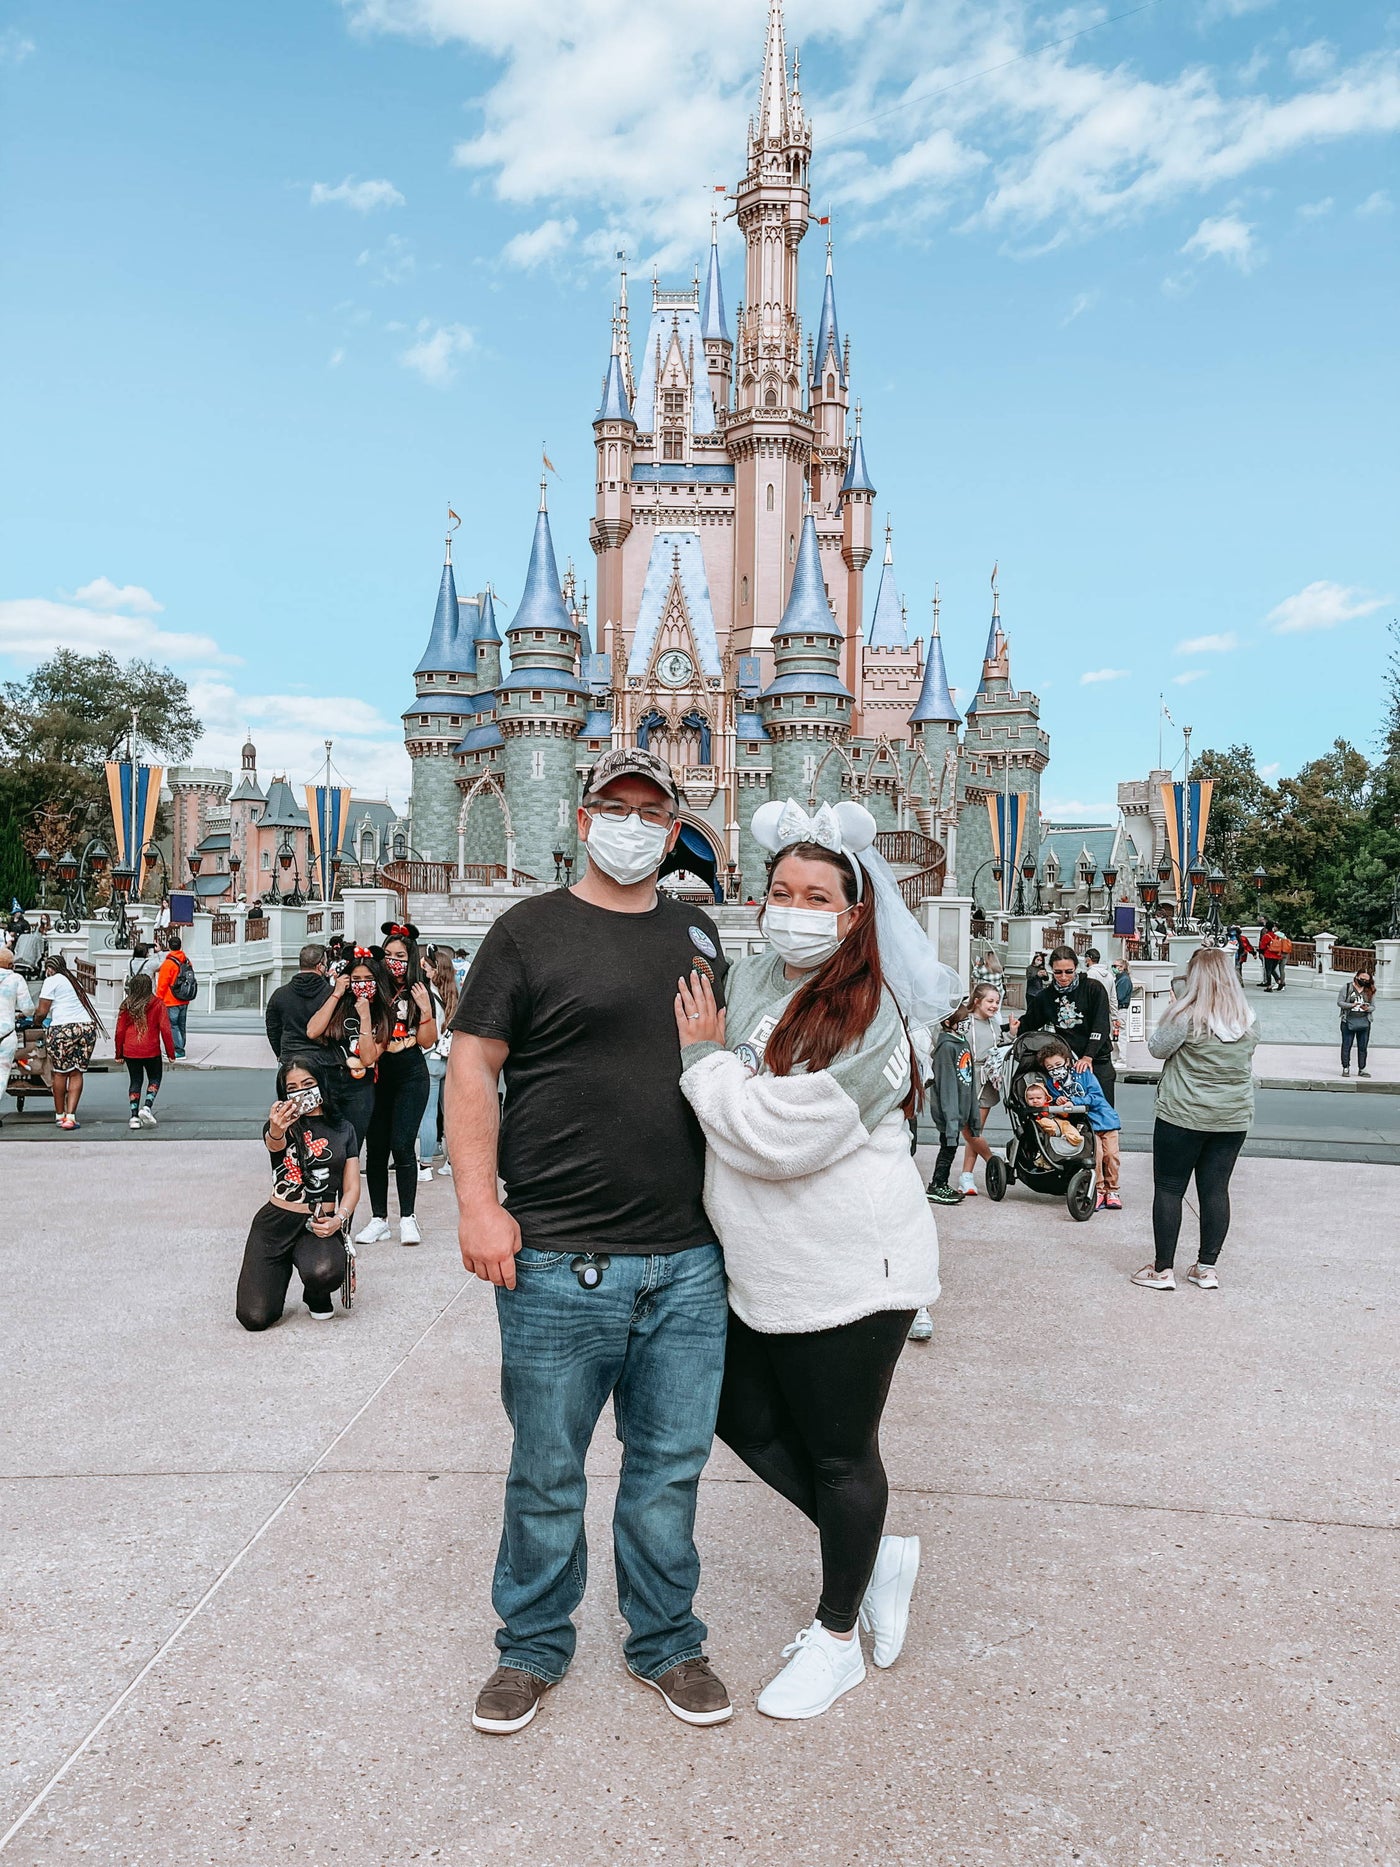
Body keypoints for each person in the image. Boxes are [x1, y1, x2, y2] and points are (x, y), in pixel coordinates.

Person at [446, 747, 732, 1737]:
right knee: (546, 1470)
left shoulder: (700, 932)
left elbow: (727, 1076)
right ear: (580, 818)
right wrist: (478, 1206)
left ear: (672, 828)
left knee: (668, 1468)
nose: (631, 823)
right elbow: (472, 1070)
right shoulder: (526, 933)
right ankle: (530, 1646)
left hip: (688, 1260)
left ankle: (664, 1640)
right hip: (559, 1257)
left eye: (649, 811)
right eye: (615, 805)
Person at [675, 796, 957, 1720]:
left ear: (853, 910)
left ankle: (837, 1636)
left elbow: (777, 1136)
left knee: (840, 1455)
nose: (794, 906)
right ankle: (878, 1554)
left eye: (817, 895)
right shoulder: (753, 978)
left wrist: (704, 1065)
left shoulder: (872, 1013)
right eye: (780, 889)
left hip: (850, 1269)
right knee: (738, 1413)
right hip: (764, 1267)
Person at [1133, 946, 1258, 1292]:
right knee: (1216, 1190)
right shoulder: (1247, 1018)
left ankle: (1162, 1270)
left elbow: (1157, 1048)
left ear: (1194, 978)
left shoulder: (1185, 1016)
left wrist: (1174, 1005)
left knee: (1170, 1188)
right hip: (1232, 1117)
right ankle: (1206, 1268)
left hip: (1183, 1113)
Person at [235, 1055, 360, 1329]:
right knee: (254, 1318)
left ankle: (315, 1292)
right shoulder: (281, 1125)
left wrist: (339, 1219)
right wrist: (277, 1129)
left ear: (320, 1084)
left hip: (318, 1223)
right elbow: (274, 1143)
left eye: (308, 1083)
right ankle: (278, 1276)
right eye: (292, 1088)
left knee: (324, 1272)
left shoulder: (344, 1129)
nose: (301, 1091)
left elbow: (351, 1187)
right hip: (276, 1223)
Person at [355, 922, 437, 1247]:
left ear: (410, 956)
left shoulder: (419, 989)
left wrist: (427, 1009)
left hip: (411, 1072)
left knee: (402, 1144)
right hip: (380, 1072)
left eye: (400, 955)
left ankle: (407, 1217)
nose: (393, 960)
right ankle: (379, 1219)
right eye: (388, 954)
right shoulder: (376, 989)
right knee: (375, 1148)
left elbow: (428, 1041)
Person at [304, 947, 388, 1146]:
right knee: (324, 1144)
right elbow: (312, 1031)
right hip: (327, 1079)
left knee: (351, 1147)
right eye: (356, 979)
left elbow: (369, 1058)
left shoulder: (384, 1013)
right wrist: (337, 993)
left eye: (368, 978)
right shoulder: (339, 1002)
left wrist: (366, 1016)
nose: (362, 984)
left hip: (359, 1087)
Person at [1019, 944, 1116, 1104]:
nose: (1063, 977)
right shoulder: (1046, 996)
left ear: (1076, 968)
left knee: (1103, 1113)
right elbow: (1029, 1022)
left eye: (1068, 971)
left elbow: (1101, 1024)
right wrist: (1010, 1029)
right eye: (1058, 972)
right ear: (1051, 970)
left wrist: (1088, 1057)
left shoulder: (1093, 988)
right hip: (1066, 1065)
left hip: (1097, 1060)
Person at [1039, 1035, 1123, 1209]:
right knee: (1097, 1156)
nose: (1055, 1070)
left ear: (1067, 1061)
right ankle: (1098, 1189)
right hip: (1088, 1125)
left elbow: (1096, 1097)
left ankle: (1112, 1189)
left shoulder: (1082, 1073)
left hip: (1106, 1120)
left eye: (1058, 1065)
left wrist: (1074, 1102)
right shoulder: (1052, 1084)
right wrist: (1059, 1102)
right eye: (1050, 1068)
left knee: (1111, 1156)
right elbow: (1058, 1106)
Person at [34, 954, 104, 1130]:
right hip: (86, 1028)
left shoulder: (51, 980)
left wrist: (36, 1021)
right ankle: (70, 1116)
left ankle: (59, 1115)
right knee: (76, 1072)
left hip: (63, 1029)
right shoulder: (74, 981)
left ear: (49, 969)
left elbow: (42, 1011)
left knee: (60, 1073)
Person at [958, 982, 1012, 1196]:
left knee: (975, 1131)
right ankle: (992, 1160)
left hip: (988, 1079)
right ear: (977, 1001)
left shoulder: (994, 1024)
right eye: (990, 1001)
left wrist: (1011, 1034)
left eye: (997, 1002)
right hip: (965, 1074)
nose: (994, 1006)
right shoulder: (964, 1022)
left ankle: (966, 1176)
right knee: (967, 1128)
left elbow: (998, 1047)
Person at [925, 1001, 974, 1208]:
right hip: (949, 1111)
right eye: (962, 1021)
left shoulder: (961, 1042)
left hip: (959, 1108)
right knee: (948, 1146)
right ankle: (938, 1184)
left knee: (951, 1147)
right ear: (948, 1022)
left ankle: (940, 1183)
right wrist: (952, 1115)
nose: (966, 1024)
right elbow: (946, 1086)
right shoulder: (946, 1048)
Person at [114, 971, 175, 1130]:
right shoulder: (158, 1004)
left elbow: (119, 1031)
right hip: (151, 1048)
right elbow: (166, 1029)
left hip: (130, 1049)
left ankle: (134, 1116)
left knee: (135, 1081)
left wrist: (118, 1053)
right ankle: (147, 1106)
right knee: (154, 1078)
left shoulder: (126, 1005)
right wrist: (171, 1053)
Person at [417, 947, 458, 1179]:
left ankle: (424, 1166)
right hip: (450, 1059)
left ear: (435, 971)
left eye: (428, 967)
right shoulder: (454, 994)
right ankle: (451, 1162)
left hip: (430, 1057)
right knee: (449, 1114)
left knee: (428, 1114)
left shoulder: (428, 996)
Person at [264, 944, 332, 1063]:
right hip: (323, 1058)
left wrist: (280, 1052)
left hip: (290, 1055)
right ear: (320, 966)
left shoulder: (279, 994)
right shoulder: (332, 995)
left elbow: (272, 1028)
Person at [154, 933, 195, 1059]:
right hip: (184, 999)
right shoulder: (187, 961)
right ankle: (181, 1046)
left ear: (169, 946)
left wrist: (158, 999)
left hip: (171, 1000)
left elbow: (162, 984)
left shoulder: (168, 964)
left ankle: (178, 1050)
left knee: (173, 1025)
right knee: (181, 1025)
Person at [0, 946, 36, 1082]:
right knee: (1, 1076)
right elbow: (27, 1009)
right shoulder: (16, 979)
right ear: (11, 965)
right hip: (6, 1035)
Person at [1338, 969, 1375, 1078]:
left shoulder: (1369, 990)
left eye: (1367, 980)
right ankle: (1346, 1067)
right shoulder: (1347, 987)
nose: (1364, 981)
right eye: (1362, 979)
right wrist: (1351, 1005)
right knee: (1347, 1045)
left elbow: (1373, 1006)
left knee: (1363, 1046)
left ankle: (1362, 1068)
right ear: (1357, 977)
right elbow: (1339, 1002)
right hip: (1348, 1020)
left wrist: (1367, 1008)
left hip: (1364, 1021)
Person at [1258, 922, 1282, 992]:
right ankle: (1279, 981)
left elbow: (1262, 946)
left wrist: (1260, 952)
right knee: (1272, 970)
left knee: (1268, 970)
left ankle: (1269, 986)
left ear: (1266, 928)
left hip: (1268, 955)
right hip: (1277, 955)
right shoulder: (1276, 936)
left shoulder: (1266, 936)